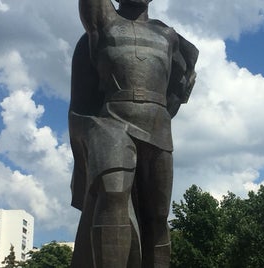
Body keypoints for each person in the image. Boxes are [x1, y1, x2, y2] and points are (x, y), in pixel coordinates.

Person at [68, 0, 198, 266]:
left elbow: (179, 84)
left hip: (158, 126)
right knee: (113, 194)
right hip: (112, 122)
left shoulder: (168, 35)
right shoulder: (104, 22)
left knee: (158, 216)